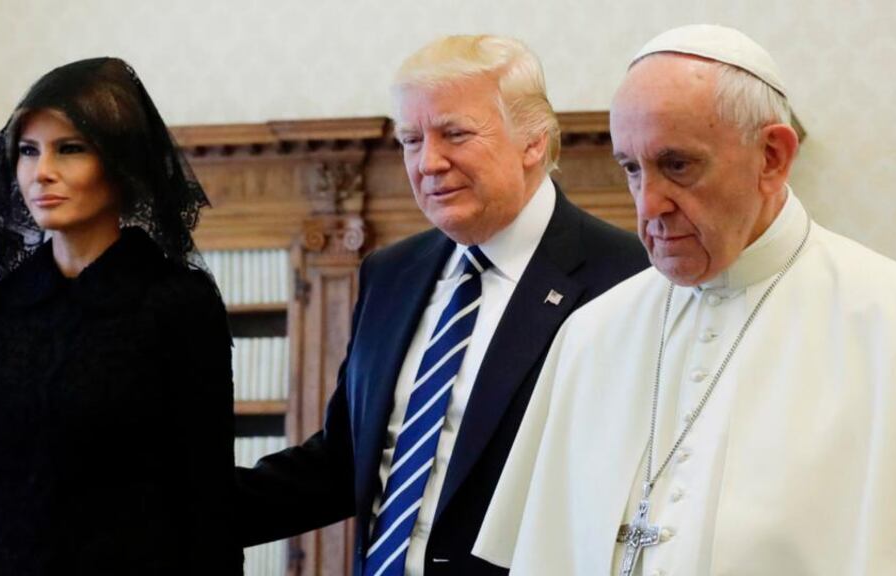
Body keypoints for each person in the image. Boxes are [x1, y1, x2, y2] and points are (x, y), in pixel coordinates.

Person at [473, 24, 896, 575]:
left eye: (678, 165)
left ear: (772, 157)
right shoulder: (591, 334)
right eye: (632, 169)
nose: (649, 205)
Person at [233, 35, 649, 575]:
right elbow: (344, 463)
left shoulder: (629, 279)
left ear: (533, 142)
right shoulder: (390, 274)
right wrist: (154, 514)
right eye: (410, 139)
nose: (428, 162)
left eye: (455, 133)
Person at [0, 57, 243, 575]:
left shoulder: (177, 305)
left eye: (70, 149)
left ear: (119, 162)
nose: (41, 171)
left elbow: (205, 504)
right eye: (28, 151)